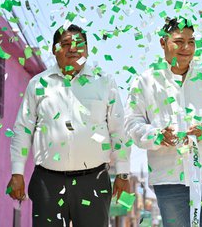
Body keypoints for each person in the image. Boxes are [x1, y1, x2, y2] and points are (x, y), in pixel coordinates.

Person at [7, 24, 131, 226]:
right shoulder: (38, 84)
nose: (72, 49)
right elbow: (23, 129)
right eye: (65, 44)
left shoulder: (105, 82)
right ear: (55, 50)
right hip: (47, 182)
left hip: (94, 180)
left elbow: (118, 130)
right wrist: (17, 172)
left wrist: (124, 172)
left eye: (79, 44)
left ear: (88, 50)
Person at [124, 17, 202, 227]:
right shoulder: (144, 82)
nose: (186, 48)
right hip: (169, 181)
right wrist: (157, 135)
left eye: (191, 41)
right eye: (179, 41)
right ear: (163, 42)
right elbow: (132, 123)